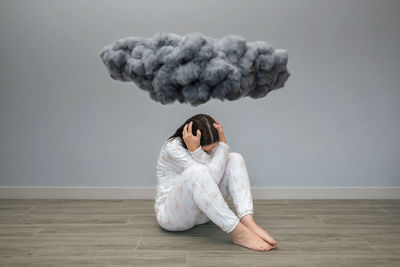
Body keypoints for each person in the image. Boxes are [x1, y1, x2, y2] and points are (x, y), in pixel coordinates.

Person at [154, 114, 277, 252]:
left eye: (214, 147)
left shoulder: (210, 146)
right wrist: (204, 150)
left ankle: (247, 220)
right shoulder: (173, 147)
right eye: (207, 150)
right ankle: (238, 232)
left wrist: (220, 145)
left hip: (204, 213)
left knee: (234, 158)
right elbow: (209, 177)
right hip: (173, 217)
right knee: (199, 171)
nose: (212, 151)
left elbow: (212, 174)